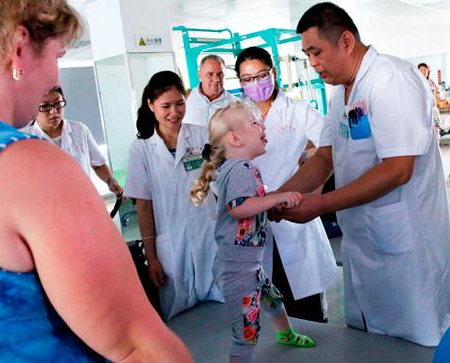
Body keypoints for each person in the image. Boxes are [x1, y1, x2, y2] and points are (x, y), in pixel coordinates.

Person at [0, 1, 191, 362]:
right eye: (58, 54)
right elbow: (141, 348)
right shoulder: (26, 165)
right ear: (20, 47)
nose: (55, 79)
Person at [277, 2, 450, 346]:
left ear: (346, 41)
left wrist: (321, 204)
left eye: (316, 52)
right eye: (306, 55)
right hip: (365, 243)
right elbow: (325, 157)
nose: (312, 64)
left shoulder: (392, 79)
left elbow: (398, 169)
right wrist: (275, 197)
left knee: (415, 345)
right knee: (372, 347)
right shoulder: (340, 91)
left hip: (406, 248)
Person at [191, 101, 315, 363]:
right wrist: (276, 198)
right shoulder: (241, 169)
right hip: (237, 269)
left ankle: (285, 334)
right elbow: (239, 208)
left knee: (272, 298)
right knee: (247, 330)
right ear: (235, 138)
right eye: (254, 122)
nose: (262, 126)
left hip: (248, 264)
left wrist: (270, 202)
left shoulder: (239, 168)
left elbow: (247, 205)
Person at [235, 46, 337, 322]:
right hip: (254, 218)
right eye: (247, 79)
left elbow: (330, 148)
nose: (255, 84)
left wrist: (313, 190)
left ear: (274, 73)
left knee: (307, 310)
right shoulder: (235, 115)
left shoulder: (298, 111)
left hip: (293, 215)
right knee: (267, 310)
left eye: (261, 75)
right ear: (240, 83)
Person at [124, 70, 222, 321]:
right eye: (166, 106)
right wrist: (152, 256)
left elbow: (220, 184)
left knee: (220, 313)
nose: (175, 112)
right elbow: (144, 206)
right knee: (181, 320)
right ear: (151, 105)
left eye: (180, 103)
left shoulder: (202, 135)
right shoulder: (141, 149)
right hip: (170, 245)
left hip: (208, 236)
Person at [22, 86, 122, 196]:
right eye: (45, 106)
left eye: (58, 104)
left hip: (83, 200)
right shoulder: (25, 139)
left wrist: (110, 180)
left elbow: (98, 164)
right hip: (47, 206)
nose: (53, 111)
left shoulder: (79, 130)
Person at [183, 54, 237, 127]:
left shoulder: (236, 104)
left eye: (220, 74)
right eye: (210, 74)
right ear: (199, 75)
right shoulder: (186, 98)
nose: (216, 79)